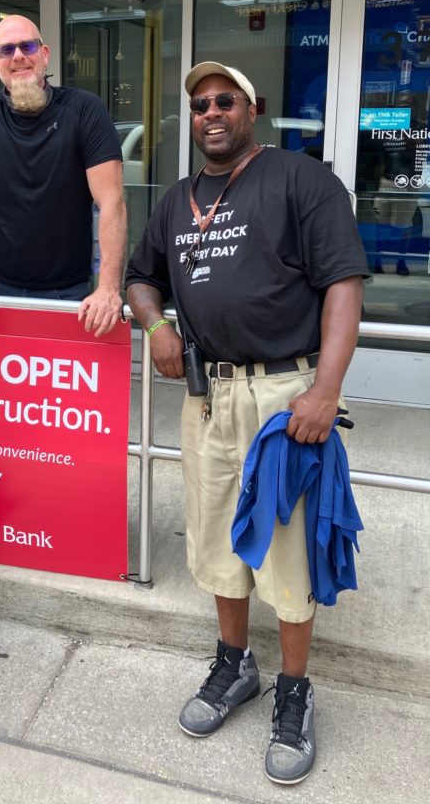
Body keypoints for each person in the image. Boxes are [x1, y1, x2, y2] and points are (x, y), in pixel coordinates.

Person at [125, 62, 369, 785]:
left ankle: (294, 691)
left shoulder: (301, 181)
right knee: (215, 538)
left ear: (251, 109)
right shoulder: (174, 201)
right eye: (199, 104)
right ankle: (236, 668)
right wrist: (155, 325)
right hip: (208, 399)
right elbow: (141, 277)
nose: (211, 113)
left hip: (284, 397)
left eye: (224, 100)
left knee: (288, 547)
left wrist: (326, 389)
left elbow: (343, 285)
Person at [0, 15, 127, 336]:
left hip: (73, 295)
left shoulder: (84, 109)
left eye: (28, 45)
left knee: (66, 386)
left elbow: (111, 203)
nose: (18, 55)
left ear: (45, 54)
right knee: (5, 385)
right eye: (6, 50)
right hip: (1, 289)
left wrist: (107, 288)